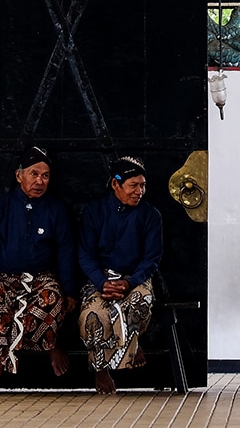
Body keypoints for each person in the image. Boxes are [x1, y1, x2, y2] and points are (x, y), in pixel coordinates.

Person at [0, 146, 78, 379]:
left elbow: (66, 252)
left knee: (53, 302)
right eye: (34, 174)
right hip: (6, 278)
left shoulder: (55, 209)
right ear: (19, 176)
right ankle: (7, 347)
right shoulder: (1, 206)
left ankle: (39, 345)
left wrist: (68, 290)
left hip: (41, 279)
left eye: (45, 175)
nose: (40, 181)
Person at [77, 155, 164, 394]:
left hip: (135, 277)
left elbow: (152, 258)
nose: (139, 191)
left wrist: (130, 281)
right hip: (102, 278)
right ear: (115, 184)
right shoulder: (94, 212)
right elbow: (85, 255)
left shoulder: (150, 215)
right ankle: (101, 370)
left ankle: (131, 344)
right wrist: (101, 282)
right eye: (133, 186)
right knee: (93, 315)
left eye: (143, 185)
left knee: (139, 304)